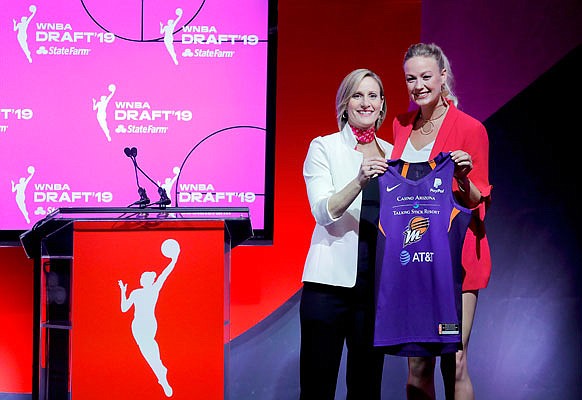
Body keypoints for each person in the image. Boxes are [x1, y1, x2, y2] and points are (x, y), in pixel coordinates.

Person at [390, 43, 492, 399]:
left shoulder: (470, 128)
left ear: (443, 76)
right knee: (417, 364)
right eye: (410, 79)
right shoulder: (400, 125)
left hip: (457, 259)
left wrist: (463, 178)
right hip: (414, 259)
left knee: (456, 358)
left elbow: (479, 198)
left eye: (426, 76)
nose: (418, 85)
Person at [300, 68, 393, 399]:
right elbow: (324, 211)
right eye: (357, 95)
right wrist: (360, 180)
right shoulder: (323, 147)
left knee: (367, 389)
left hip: (375, 290)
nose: (366, 103)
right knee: (317, 387)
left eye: (373, 96)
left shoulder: (395, 154)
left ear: (382, 105)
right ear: (345, 103)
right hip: (328, 288)